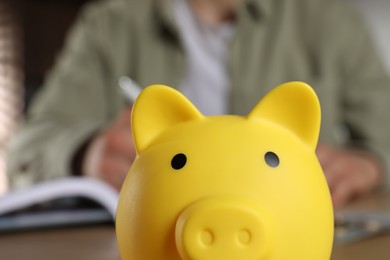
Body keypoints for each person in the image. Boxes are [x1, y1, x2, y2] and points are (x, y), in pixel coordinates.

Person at [6, 0, 390, 209]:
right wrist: (86, 154)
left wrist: (370, 164)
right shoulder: (108, 24)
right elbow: (27, 146)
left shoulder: (333, 22)